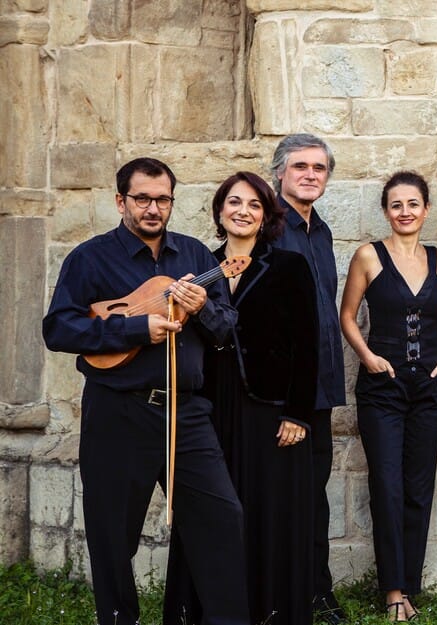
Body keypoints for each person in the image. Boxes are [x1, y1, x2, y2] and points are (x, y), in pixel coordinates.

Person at [41, 158, 249, 625]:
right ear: (121, 201)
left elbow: (225, 330)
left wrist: (203, 312)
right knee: (113, 536)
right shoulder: (89, 258)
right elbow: (59, 330)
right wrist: (135, 330)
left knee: (223, 520)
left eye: (163, 199)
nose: (153, 208)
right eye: (143, 199)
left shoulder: (196, 256)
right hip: (118, 413)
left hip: (186, 413)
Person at [163, 171, 320, 625]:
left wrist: (298, 414)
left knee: (267, 513)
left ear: (267, 215)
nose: (242, 211)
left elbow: (308, 345)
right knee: (213, 511)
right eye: (234, 202)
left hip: (270, 408)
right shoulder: (200, 266)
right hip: (209, 407)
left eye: (254, 205)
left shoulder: (288, 266)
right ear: (219, 211)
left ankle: (270, 611)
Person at [340, 172, 437, 622]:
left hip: (429, 388)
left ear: (426, 210)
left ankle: (411, 586)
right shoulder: (368, 256)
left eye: (413, 204)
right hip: (381, 388)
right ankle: (392, 591)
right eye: (396, 204)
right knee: (387, 486)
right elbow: (347, 316)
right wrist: (367, 356)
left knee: (418, 488)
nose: (405, 212)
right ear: (386, 211)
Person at [269, 133, 348, 623]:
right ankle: (282, 595)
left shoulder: (321, 232)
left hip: (318, 388)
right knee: (282, 497)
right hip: (282, 395)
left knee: (314, 495)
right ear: (279, 172)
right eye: (300, 166)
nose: (310, 175)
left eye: (319, 168)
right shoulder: (267, 228)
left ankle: (317, 591)